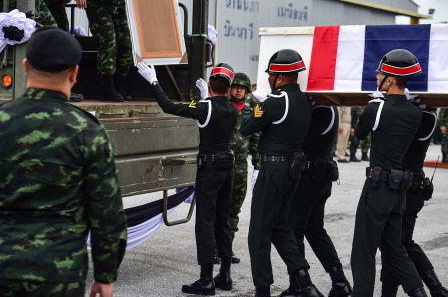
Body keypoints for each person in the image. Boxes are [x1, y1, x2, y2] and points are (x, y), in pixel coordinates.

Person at [0, 28, 126, 297]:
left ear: (25, 67)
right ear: (75, 73)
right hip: (60, 275)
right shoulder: (90, 133)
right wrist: (105, 273)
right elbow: (107, 213)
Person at [138, 62, 238, 295]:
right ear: (229, 88)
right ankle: (225, 275)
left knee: (205, 222)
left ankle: (206, 280)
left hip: (210, 169)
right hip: (227, 167)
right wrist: (206, 98)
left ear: (210, 85)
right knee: (222, 220)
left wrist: (154, 80)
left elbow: (168, 106)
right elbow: (215, 114)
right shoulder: (233, 108)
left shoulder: (204, 107)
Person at [240, 49, 322, 297]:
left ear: (279, 77)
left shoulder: (276, 101)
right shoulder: (306, 100)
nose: (268, 79)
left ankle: (262, 291)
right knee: (281, 227)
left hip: (273, 170)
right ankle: (305, 283)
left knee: (259, 233)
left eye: (271, 75)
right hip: (292, 171)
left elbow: (246, 128)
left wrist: (257, 104)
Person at [351, 49, 428, 297]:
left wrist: (368, 108)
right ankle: (420, 293)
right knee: (395, 250)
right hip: (398, 191)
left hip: (377, 189)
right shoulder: (416, 112)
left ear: (391, 79)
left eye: (380, 74)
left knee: (363, 251)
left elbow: (359, 134)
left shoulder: (377, 107)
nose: (377, 77)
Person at [379, 103, 448, 297]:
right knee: (403, 243)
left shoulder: (422, 116)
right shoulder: (427, 115)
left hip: (406, 186)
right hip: (414, 184)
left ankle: (426, 290)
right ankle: (437, 289)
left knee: (393, 245)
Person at [282, 103, 352, 297]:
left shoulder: (321, 110)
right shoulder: (328, 108)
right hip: (319, 176)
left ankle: (298, 285)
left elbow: (301, 140)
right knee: (315, 230)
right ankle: (339, 281)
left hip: (309, 179)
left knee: (294, 230)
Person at [226, 72, 260, 264]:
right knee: (218, 208)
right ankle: (215, 247)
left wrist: (258, 167)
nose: (238, 90)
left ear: (247, 91)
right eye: (235, 87)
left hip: (239, 167)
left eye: (242, 88)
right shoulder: (223, 106)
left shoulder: (252, 112)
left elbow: (256, 141)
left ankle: (227, 248)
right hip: (221, 165)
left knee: (234, 208)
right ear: (230, 89)